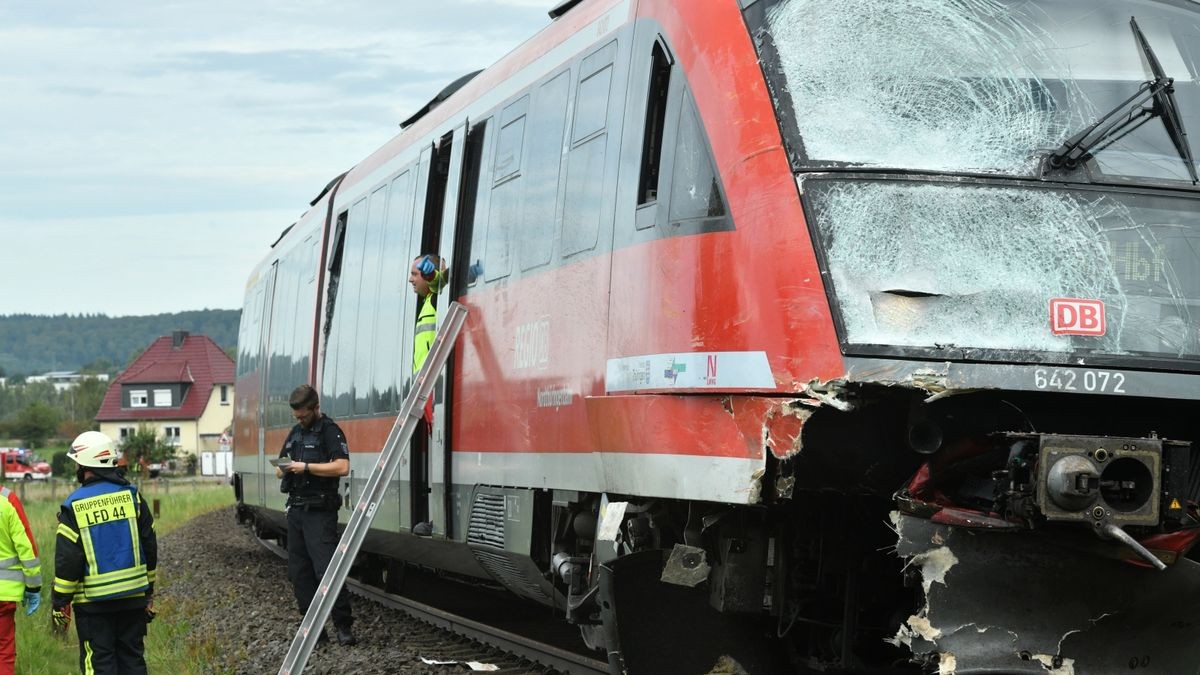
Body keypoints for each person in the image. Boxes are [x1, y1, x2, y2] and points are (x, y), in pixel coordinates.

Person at [52, 431, 157, 675]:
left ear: (86, 464)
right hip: (133, 599)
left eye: (77, 462)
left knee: (99, 664)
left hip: (93, 606)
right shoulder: (133, 498)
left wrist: (60, 600)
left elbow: (68, 561)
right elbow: (150, 546)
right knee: (133, 661)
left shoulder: (74, 506)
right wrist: (149, 590)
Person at [276, 384, 356, 646]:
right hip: (296, 510)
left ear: (315, 408)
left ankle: (343, 626)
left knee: (326, 571)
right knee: (300, 573)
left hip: (320, 512)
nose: (300, 421)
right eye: (296, 417)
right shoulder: (296, 433)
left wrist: (307, 467)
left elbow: (342, 466)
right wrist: (286, 468)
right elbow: (280, 468)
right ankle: (314, 630)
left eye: (304, 416)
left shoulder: (330, 432)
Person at [409, 253, 446, 537]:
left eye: (415, 273)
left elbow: (439, 281)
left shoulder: (435, 296)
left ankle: (435, 518)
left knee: (437, 448)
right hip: (427, 389)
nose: (411, 279)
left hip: (434, 387)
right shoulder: (427, 305)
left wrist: (432, 273)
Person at [0, 483, 42, 675]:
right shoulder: (7, 500)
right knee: (4, 653)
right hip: (3, 594)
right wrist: (33, 587)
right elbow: (26, 548)